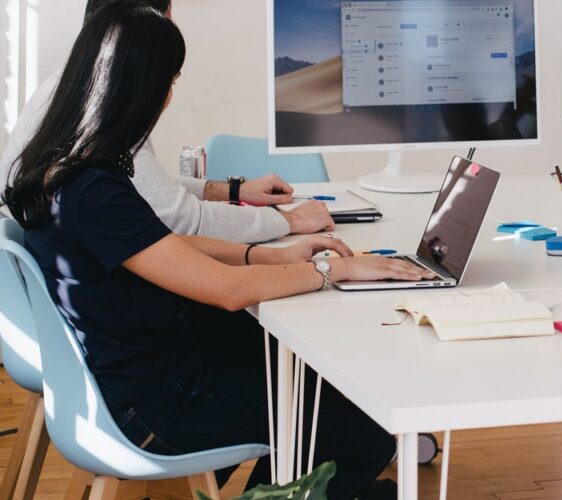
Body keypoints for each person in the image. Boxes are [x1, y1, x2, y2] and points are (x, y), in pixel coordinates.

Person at [0, 3, 436, 497]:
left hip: (130, 377)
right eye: (171, 81)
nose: (167, 98)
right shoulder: (95, 187)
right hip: (152, 404)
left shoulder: (61, 167)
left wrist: (267, 255)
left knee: (298, 377)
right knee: (358, 427)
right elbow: (228, 292)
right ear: (142, 88)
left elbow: (161, 245)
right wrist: (337, 272)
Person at [0, 0, 334, 243]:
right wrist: (286, 221)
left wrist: (233, 190)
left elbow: (140, 187)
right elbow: (182, 220)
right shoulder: (102, 115)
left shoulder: (67, 92)